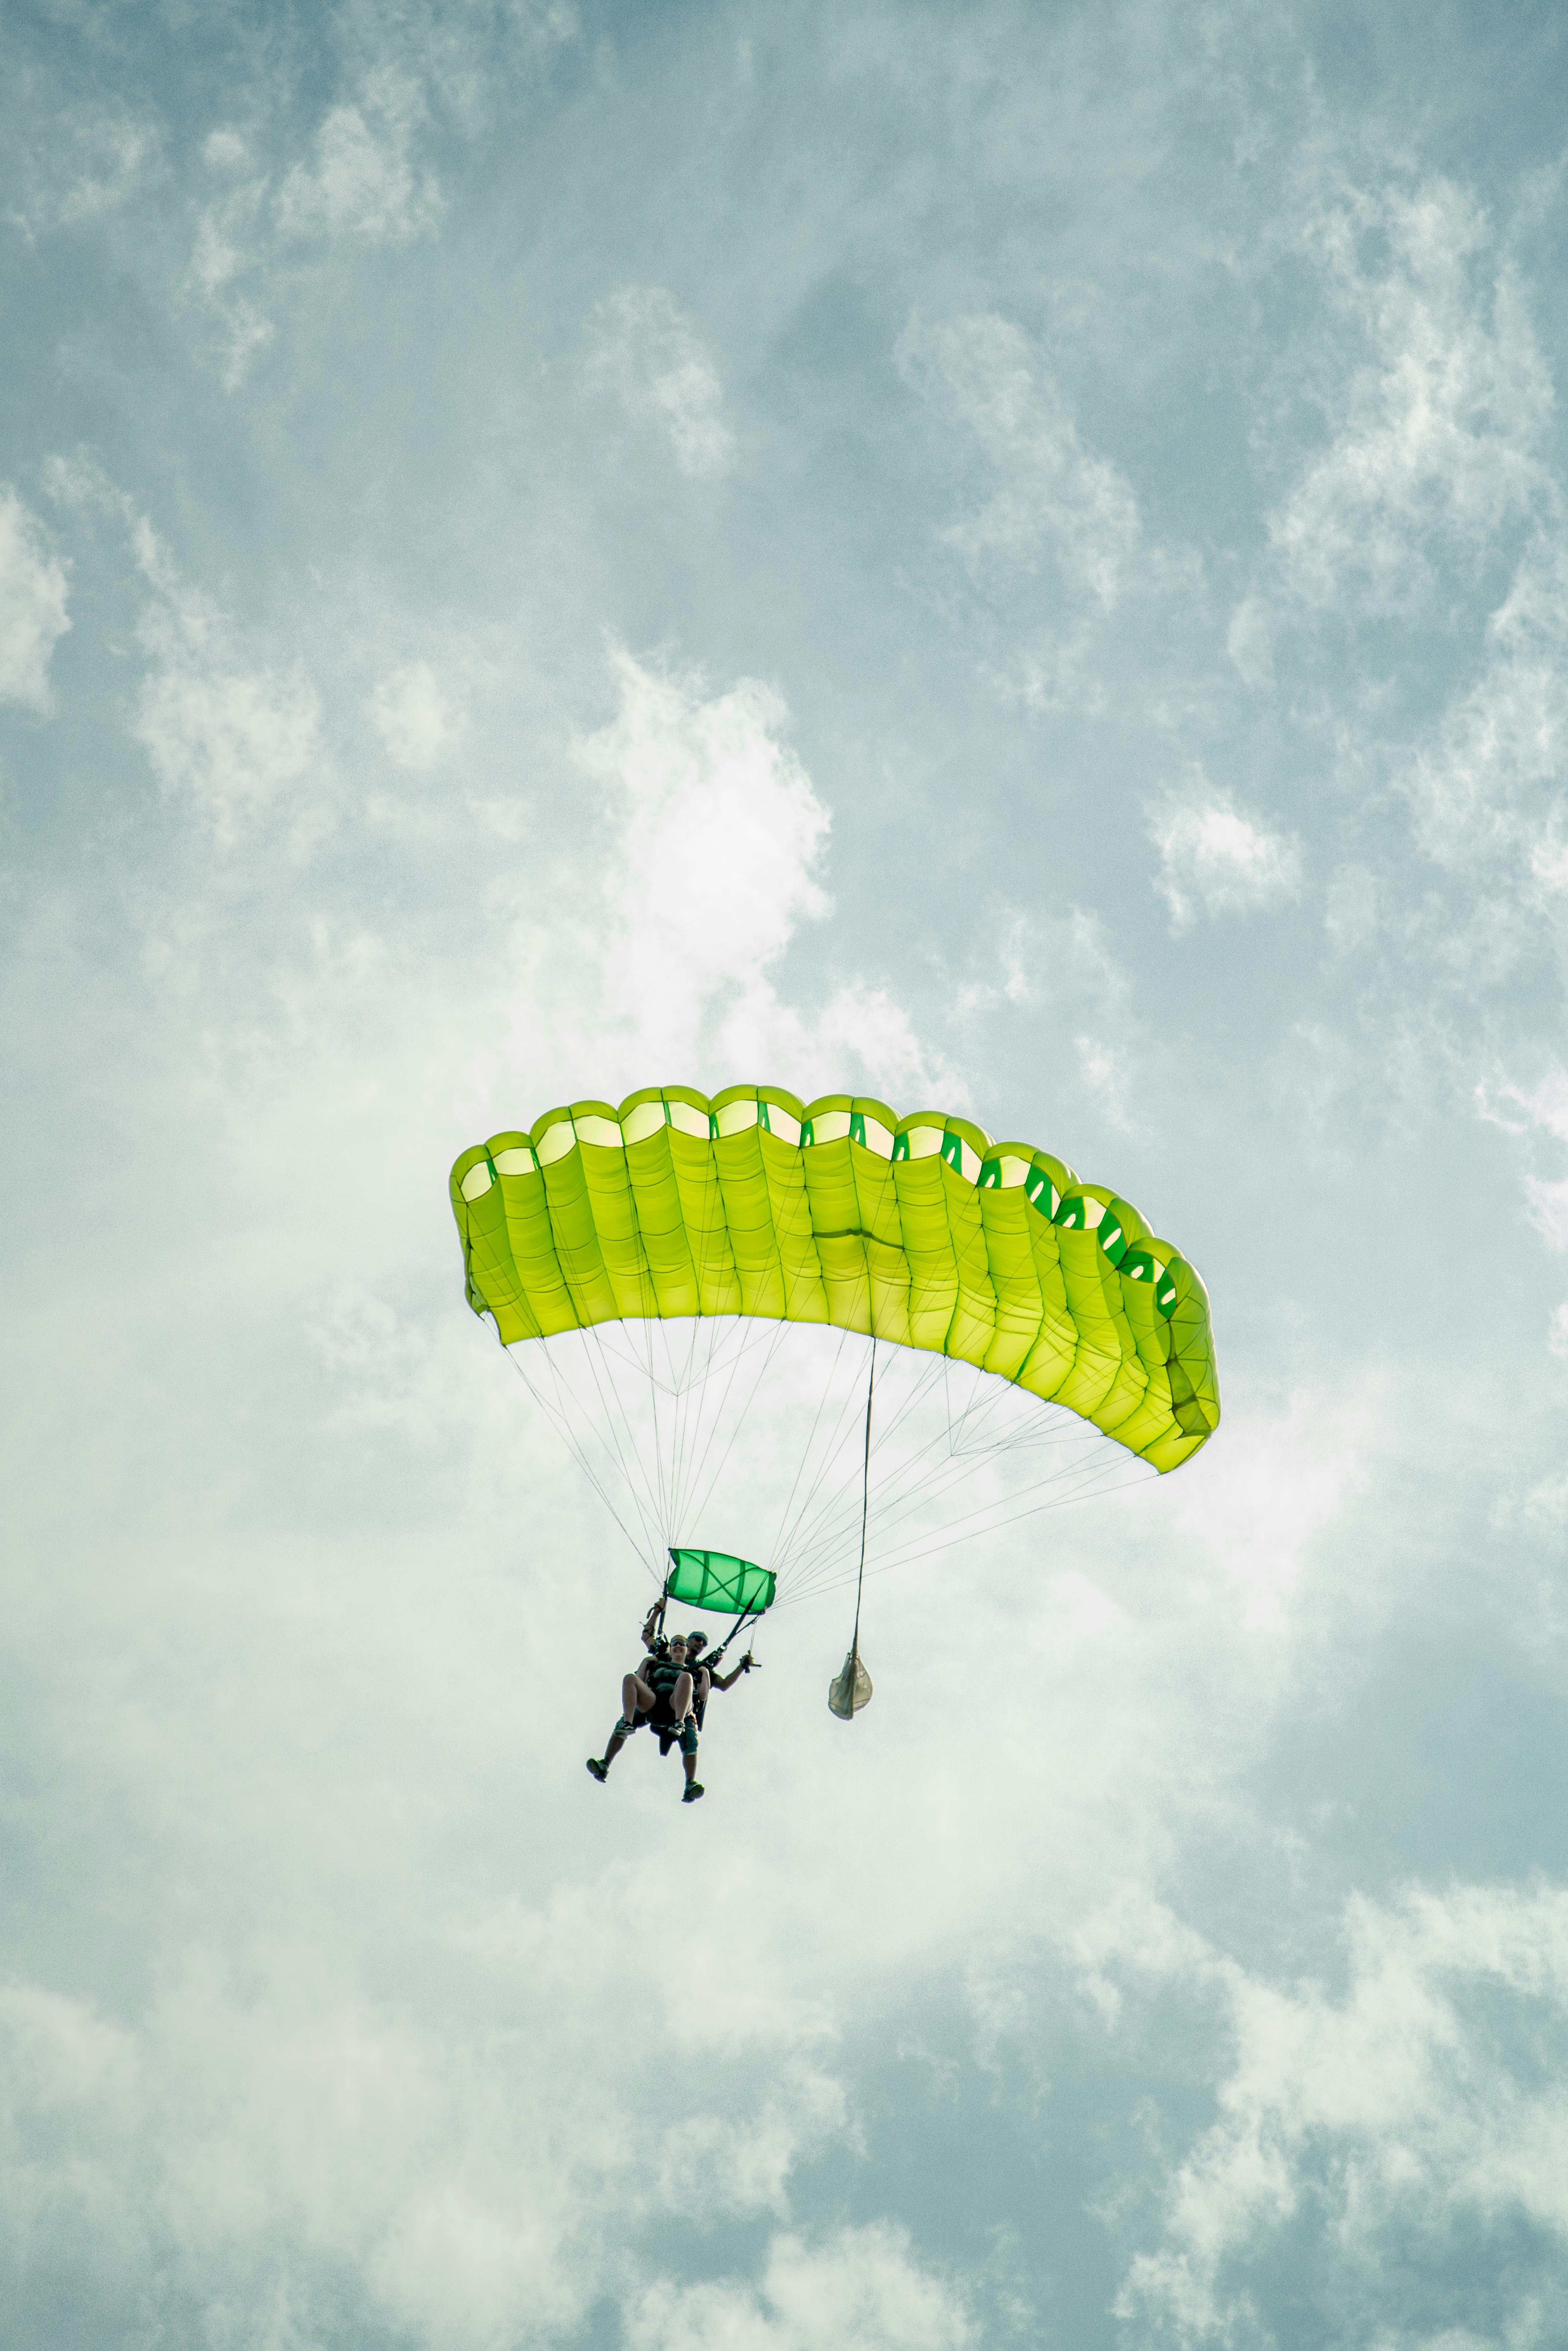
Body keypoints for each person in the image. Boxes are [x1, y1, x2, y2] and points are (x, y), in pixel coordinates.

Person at [588, 1631, 704, 1801]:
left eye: (682, 1644)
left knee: (686, 1678)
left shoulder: (694, 1671)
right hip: (654, 1703)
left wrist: (706, 1673)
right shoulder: (658, 1664)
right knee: (630, 1678)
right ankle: (607, 1761)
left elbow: (703, 1695)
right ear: (670, 1650)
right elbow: (638, 1680)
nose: (678, 1646)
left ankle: (690, 1784)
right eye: (675, 1644)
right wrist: (646, 1662)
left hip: (677, 1706)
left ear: (688, 1650)